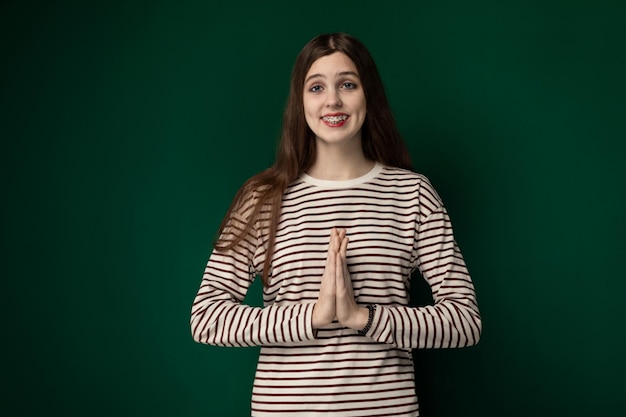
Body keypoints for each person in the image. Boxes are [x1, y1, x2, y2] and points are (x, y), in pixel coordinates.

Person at [190, 32, 481, 417]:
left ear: (368, 96)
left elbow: (464, 320)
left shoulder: (412, 193)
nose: (333, 101)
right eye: (316, 87)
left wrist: (363, 317)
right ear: (301, 101)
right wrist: (312, 315)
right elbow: (207, 318)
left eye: (348, 84)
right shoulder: (261, 199)